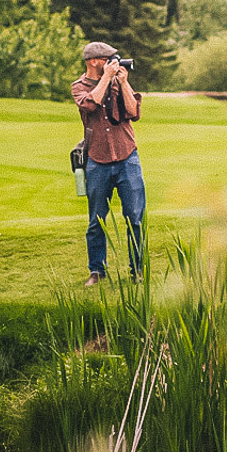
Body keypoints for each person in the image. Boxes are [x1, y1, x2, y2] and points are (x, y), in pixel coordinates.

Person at [71, 41, 146, 286]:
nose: (113, 63)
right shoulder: (78, 87)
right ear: (94, 61)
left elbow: (134, 112)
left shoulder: (117, 82)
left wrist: (123, 83)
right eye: (108, 59)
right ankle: (97, 271)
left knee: (135, 218)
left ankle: (137, 270)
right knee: (97, 220)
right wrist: (106, 78)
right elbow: (90, 104)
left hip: (127, 157)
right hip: (97, 159)